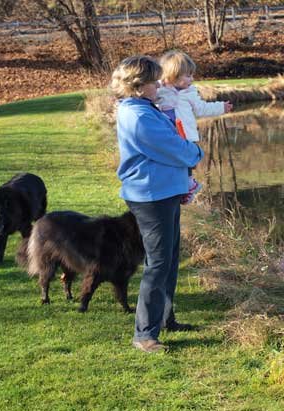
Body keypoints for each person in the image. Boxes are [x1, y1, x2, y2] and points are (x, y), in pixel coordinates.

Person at [110, 55, 204, 353]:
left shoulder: (143, 108)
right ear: (139, 86)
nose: (159, 85)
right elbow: (173, 148)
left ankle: (165, 319)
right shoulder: (139, 116)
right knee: (159, 263)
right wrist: (195, 152)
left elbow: (168, 142)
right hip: (153, 196)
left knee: (169, 258)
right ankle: (144, 335)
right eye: (154, 81)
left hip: (162, 192)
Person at [156, 50, 233, 204]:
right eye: (188, 76)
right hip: (167, 132)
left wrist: (221, 107)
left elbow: (201, 108)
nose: (192, 79)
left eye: (192, 75)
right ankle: (179, 186)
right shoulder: (159, 90)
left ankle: (189, 184)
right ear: (173, 76)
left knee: (187, 159)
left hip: (185, 133)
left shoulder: (190, 92)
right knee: (172, 159)